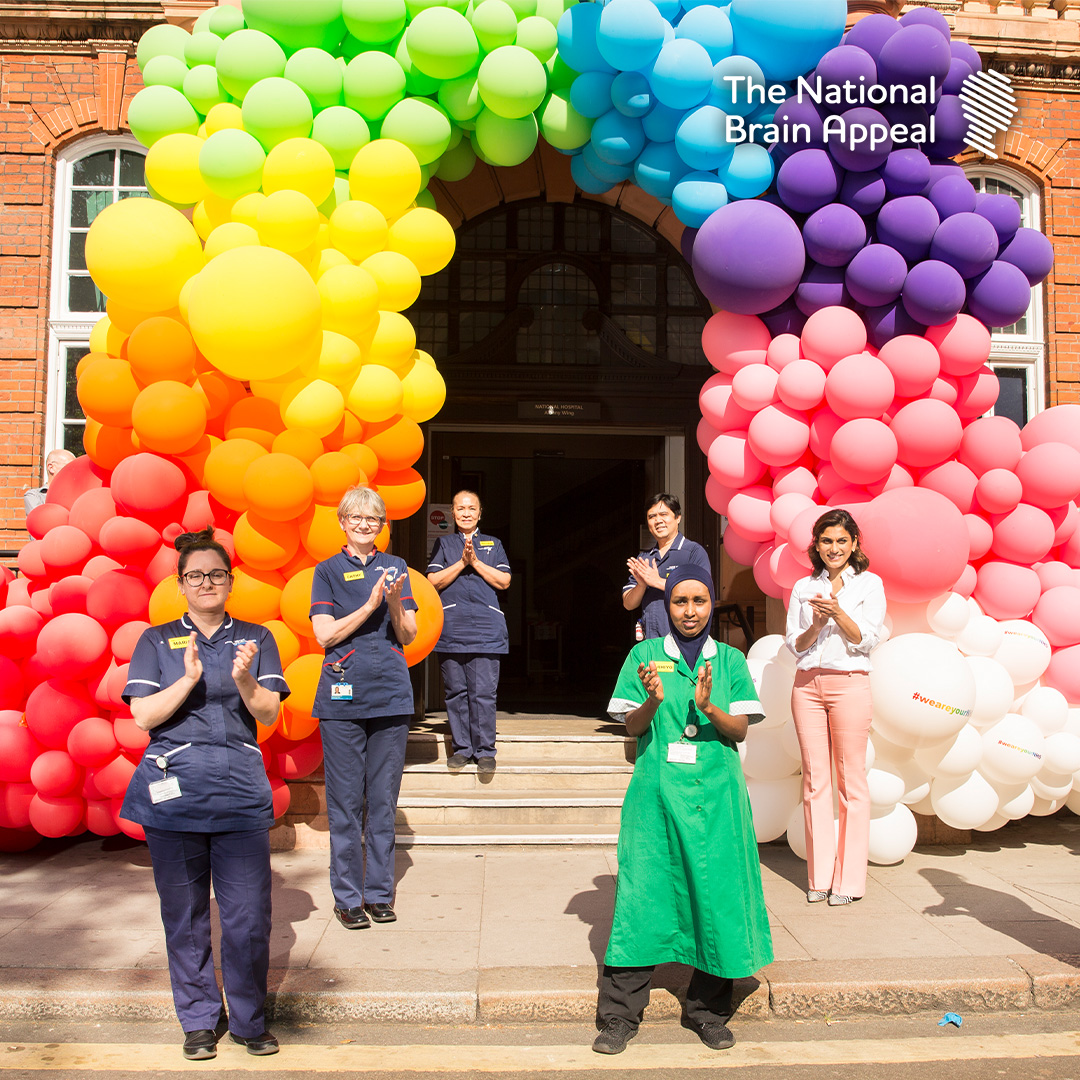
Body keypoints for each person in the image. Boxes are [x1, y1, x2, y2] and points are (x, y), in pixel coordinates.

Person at [121, 527, 289, 1061]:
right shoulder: (156, 640)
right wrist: (188, 678)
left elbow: (267, 713)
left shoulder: (256, 638)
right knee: (185, 913)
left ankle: (247, 1019)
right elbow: (144, 715)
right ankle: (198, 1020)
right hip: (174, 795)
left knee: (247, 915)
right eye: (196, 575)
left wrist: (244, 681)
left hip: (238, 792)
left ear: (230, 581)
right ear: (181, 584)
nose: (207, 583)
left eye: (217, 574)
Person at [594, 564, 773, 1056]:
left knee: (714, 897)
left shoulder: (731, 659)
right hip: (656, 793)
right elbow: (632, 728)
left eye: (699, 601)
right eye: (679, 602)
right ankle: (618, 1016)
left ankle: (708, 1012)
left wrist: (711, 707)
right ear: (667, 606)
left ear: (711, 604)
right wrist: (652, 701)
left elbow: (739, 730)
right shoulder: (645, 655)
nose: (690, 611)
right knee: (643, 896)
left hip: (717, 796)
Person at [310, 486, 417, 931]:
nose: (364, 525)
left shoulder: (396, 567)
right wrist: (370, 604)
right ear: (342, 521)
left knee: (383, 801)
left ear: (382, 526)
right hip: (342, 697)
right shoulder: (326, 571)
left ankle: (378, 894)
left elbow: (408, 634)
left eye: (373, 519)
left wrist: (392, 602)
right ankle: (347, 898)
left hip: (390, 695)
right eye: (356, 517)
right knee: (346, 803)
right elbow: (325, 635)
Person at [784, 508, 886, 908]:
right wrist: (815, 621)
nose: (834, 548)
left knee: (851, 782)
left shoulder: (870, 585)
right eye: (827, 541)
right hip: (807, 687)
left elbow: (866, 640)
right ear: (817, 545)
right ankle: (819, 877)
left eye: (842, 541)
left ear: (854, 544)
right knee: (814, 783)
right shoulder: (802, 586)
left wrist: (838, 613)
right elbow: (796, 644)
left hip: (849, 685)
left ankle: (849, 880)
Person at [426, 490, 511, 773]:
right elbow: (433, 581)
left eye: (471, 508)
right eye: (460, 508)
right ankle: (462, 749)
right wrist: (462, 562)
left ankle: (485, 751)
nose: (465, 513)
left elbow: (504, 581)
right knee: (456, 692)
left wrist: (475, 561)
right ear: (452, 513)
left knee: (483, 693)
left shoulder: (493, 543)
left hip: (487, 631)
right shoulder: (444, 543)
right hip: (452, 628)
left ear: (480, 513)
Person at [622, 493, 710, 640]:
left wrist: (656, 581)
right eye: (652, 516)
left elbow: (702, 591)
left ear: (678, 518)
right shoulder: (644, 558)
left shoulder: (693, 551)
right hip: (651, 642)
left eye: (664, 514)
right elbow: (628, 604)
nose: (658, 521)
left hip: (683, 641)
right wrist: (642, 585)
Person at [23, 447, 75, 514]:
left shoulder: (76, 495)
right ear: (51, 468)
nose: (73, 471)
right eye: (69, 467)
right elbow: (41, 520)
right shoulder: (35, 496)